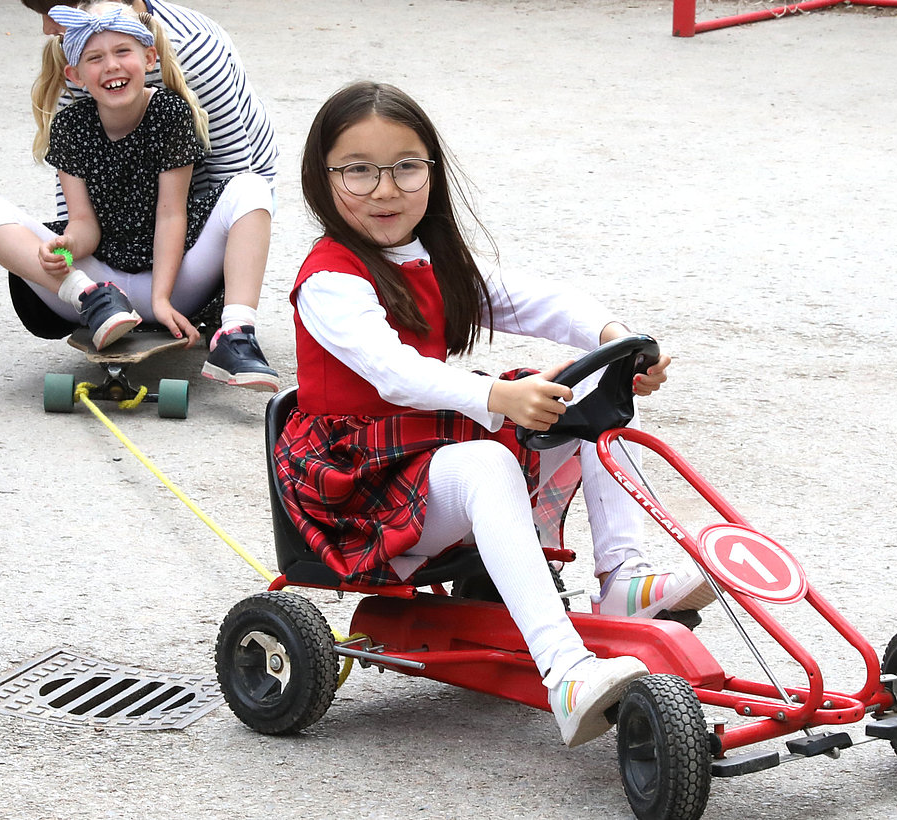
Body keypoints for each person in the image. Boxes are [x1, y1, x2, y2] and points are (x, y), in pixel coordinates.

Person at [275, 81, 713, 747]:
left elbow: (536, 301)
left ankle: (622, 577)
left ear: (431, 171)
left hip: (424, 450)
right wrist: (496, 397)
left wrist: (616, 338)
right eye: (358, 170)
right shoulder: (330, 280)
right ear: (322, 177)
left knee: (590, 402)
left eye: (406, 167)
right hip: (359, 481)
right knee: (486, 461)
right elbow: (395, 372)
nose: (385, 189)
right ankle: (566, 672)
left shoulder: (431, 258)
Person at [0, 0, 278, 390]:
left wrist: (162, 299)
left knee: (251, 188)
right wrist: (66, 246)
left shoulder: (170, 113)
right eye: (95, 58)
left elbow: (171, 216)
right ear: (76, 75)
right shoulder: (70, 126)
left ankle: (235, 335)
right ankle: (88, 297)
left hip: (173, 281)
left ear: (149, 58)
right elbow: (83, 224)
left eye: (122, 51)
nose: (111, 66)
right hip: (96, 286)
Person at [18, 0, 278, 220]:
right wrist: (73, 242)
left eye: (54, 12)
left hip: (209, 194)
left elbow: (230, 172)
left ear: (110, 2)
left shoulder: (193, 50)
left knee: (246, 193)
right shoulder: (72, 50)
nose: (47, 28)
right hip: (133, 199)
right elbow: (74, 184)